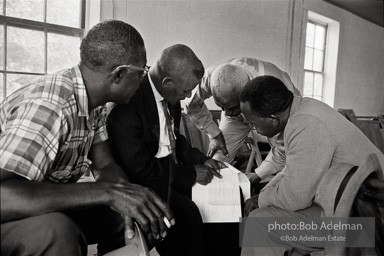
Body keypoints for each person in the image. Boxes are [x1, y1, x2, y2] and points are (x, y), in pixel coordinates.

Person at [0, 20, 173, 256]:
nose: (143, 79)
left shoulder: (94, 104)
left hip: (37, 202)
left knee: (138, 216)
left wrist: (128, 196)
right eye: (142, 71)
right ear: (119, 74)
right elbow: (4, 197)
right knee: (57, 233)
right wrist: (109, 193)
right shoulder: (51, 105)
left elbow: (106, 165)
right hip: (10, 208)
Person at [239, 75, 384, 255]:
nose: (253, 129)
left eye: (253, 124)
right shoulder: (303, 110)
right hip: (350, 206)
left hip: (366, 224)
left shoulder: (305, 124)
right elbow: (292, 171)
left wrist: (260, 200)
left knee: (259, 224)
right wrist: (263, 196)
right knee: (271, 214)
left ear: (273, 119)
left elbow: (295, 198)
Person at [107, 44, 230, 256]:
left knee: (223, 199)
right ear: (167, 82)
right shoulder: (128, 103)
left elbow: (174, 139)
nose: (188, 95)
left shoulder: (170, 95)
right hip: (139, 179)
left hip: (166, 171)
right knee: (188, 212)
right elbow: (139, 168)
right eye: (186, 91)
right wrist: (191, 173)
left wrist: (200, 159)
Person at [184, 57, 301, 186]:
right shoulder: (211, 78)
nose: (226, 113)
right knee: (219, 158)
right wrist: (215, 134)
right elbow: (192, 105)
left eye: (231, 108)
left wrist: (258, 175)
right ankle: (215, 198)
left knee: (289, 161)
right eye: (222, 107)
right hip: (240, 113)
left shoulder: (276, 92)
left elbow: (282, 149)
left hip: (272, 111)